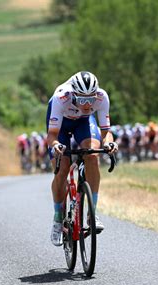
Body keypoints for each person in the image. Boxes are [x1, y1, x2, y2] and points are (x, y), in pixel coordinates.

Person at [46, 71, 118, 246]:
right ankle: (57, 218)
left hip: (84, 123)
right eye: (82, 100)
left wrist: (109, 143)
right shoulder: (61, 97)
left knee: (92, 155)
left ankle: (91, 213)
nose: (87, 105)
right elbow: (52, 135)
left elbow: (106, 131)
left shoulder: (102, 97)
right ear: (74, 94)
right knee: (62, 169)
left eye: (91, 100)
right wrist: (56, 145)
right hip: (61, 126)